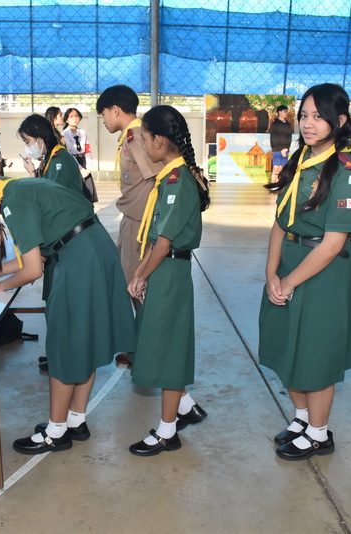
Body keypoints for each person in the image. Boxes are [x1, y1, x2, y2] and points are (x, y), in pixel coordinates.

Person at [0, 161, 135, 455]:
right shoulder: (16, 188)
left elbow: (33, 269)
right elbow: (38, 256)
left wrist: (0, 286)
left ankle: (56, 432)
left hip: (79, 260)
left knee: (64, 344)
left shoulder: (13, 202)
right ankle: (76, 421)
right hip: (92, 249)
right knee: (84, 341)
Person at [259, 83, 351, 461]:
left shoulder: (347, 172)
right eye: (304, 116)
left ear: (338, 120)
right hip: (289, 263)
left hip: (322, 274)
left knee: (316, 355)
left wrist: (288, 281)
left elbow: (333, 243)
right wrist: (271, 273)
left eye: (318, 117)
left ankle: (320, 435)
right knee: (287, 346)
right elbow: (280, 222)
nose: (308, 124)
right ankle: (303, 419)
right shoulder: (301, 161)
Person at [126, 105, 210, 456]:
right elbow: (155, 240)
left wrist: (140, 275)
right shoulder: (169, 177)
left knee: (169, 347)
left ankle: (167, 432)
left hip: (170, 271)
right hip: (162, 268)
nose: (144, 146)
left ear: (160, 140)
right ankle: (184, 409)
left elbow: (163, 243)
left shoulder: (178, 181)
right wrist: (140, 272)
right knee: (161, 342)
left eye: (146, 139)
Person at [96, 85, 163, 282]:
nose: (104, 120)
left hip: (141, 222)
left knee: (134, 281)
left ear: (115, 110)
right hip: (133, 218)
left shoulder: (137, 137)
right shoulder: (130, 136)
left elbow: (160, 175)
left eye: (104, 114)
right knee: (126, 276)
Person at [18, 113, 85, 197]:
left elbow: (49, 196)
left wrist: (32, 175)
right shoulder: (49, 158)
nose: (27, 147)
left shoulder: (59, 159)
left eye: (27, 142)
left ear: (40, 139)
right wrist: (33, 173)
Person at [62, 107, 98, 202]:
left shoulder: (83, 132)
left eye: (77, 116)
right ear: (66, 120)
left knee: (88, 191)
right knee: (77, 190)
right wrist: (80, 169)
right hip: (73, 162)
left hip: (84, 162)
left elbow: (88, 150)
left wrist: (88, 167)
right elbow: (69, 152)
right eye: (71, 116)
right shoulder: (64, 134)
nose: (75, 118)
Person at [268, 105, 292, 184]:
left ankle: (278, 185)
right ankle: (273, 185)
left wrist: (286, 149)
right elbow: (274, 138)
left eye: (287, 111)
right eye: (285, 111)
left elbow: (289, 138)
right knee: (276, 168)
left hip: (285, 150)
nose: (286, 113)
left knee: (282, 169)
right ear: (279, 112)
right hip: (277, 150)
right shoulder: (275, 124)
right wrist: (281, 149)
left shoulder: (288, 125)